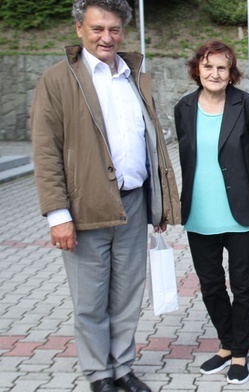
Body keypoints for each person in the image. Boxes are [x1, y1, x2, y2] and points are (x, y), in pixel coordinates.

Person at [30, 1, 181, 391]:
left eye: (114, 29)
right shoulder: (58, 79)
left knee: (128, 295)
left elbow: (151, 143)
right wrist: (57, 215)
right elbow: (46, 151)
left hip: (133, 202)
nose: (106, 37)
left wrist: (159, 201)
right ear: (80, 29)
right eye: (97, 29)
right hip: (85, 208)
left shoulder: (133, 75)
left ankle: (122, 368)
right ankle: (99, 373)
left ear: (123, 32)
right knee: (91, 299)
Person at [173, 40, 249, 384]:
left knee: (242, 287)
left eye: (222, 68)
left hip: (240, 215)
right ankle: (227, 344)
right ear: (196, 70)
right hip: (199, 213)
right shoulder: (184, 107)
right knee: (211, 286)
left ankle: (241, 353)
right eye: (208, 67)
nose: (214, 74)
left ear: (232, 73)